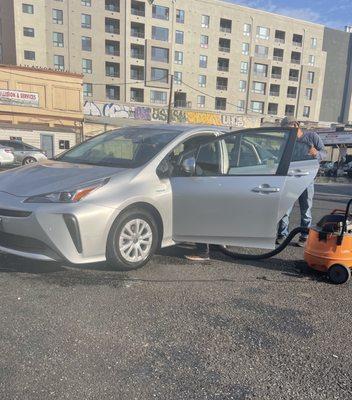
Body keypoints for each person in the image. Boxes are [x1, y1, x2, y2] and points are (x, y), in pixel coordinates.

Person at [277, 116, 327, 247]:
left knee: (306, 209)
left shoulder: (312, 136)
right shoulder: (287, 140)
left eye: (287, 129)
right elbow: (280, 156)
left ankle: (304, 236)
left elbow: (324, 153)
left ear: (295, 125)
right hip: (290, 179)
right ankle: (282, 234)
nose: (285, 132)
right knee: (285, 208)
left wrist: (316, 153)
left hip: (307, 179)